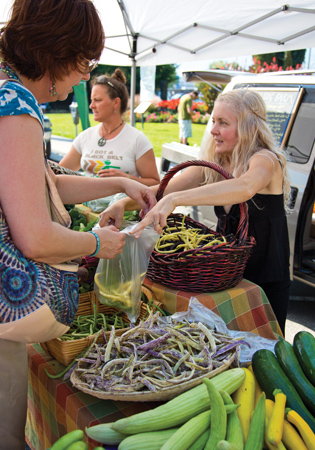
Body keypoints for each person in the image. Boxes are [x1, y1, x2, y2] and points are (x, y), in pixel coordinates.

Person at [0, 1, 156, 448]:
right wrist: (96, 243)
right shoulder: (15, 103)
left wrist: (124, 182)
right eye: (84, 63)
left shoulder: (3, 88)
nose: (85, 77)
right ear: (56, 50)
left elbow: (41, 184)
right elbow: (35, 236)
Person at [100, 89, 291, 335]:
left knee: (268, 351)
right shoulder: (217, 163)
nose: (213, 130)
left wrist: (175, 200)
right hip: (225, 277)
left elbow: (244, 187)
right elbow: (162, 188)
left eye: (223, 123)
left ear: (248, 127)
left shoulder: (266, 160)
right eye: (213, 121)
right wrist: (123, 203)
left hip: (265, 278)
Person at [59, 69, 160, 210]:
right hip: (86, 214)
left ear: (116, 103)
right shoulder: (85, 137)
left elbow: (155, 183)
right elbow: (61, 172)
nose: (91, 105)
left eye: (97, 100)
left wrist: (125, 179)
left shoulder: (137, 139)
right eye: (92, 100)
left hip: (124, 216)